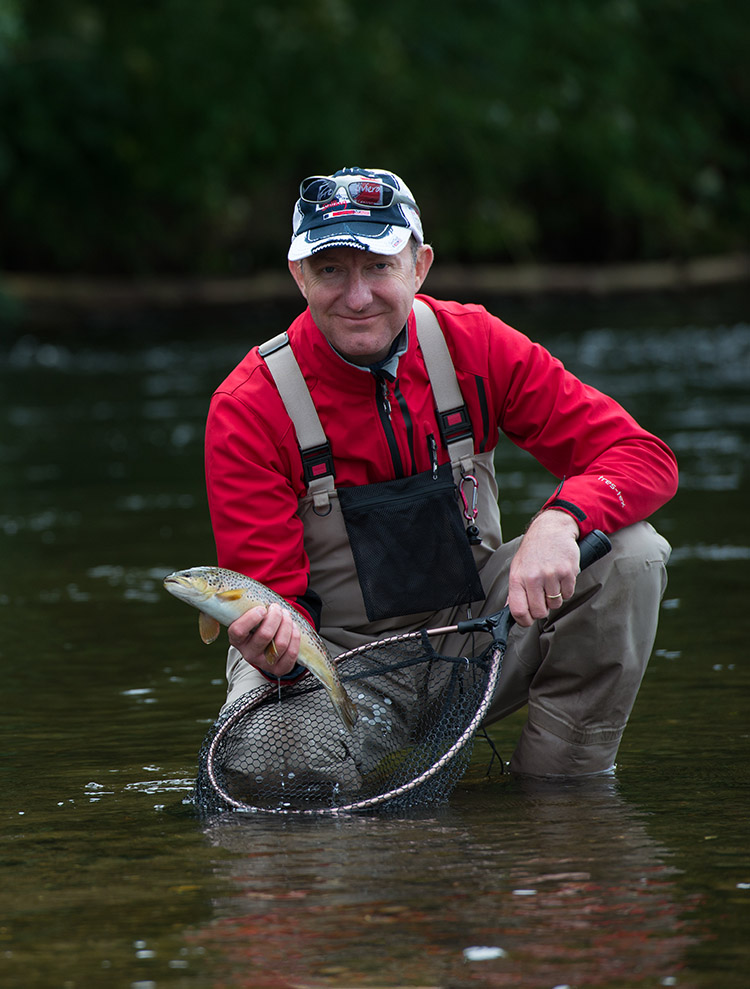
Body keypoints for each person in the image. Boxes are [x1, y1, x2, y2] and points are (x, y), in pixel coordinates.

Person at [204, 166, 678, 778]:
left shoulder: (474, 343)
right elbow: (274, 597)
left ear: (419, 265)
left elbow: (643, 457)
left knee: (632, 555)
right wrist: (273, 651)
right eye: (330, 270)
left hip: (481, 633)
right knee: (275, 777)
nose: (357, 296)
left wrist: (563, 517)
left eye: (379, 266)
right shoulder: (248, 405)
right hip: (333, 661)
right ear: (298, 276)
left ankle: (560, 800)